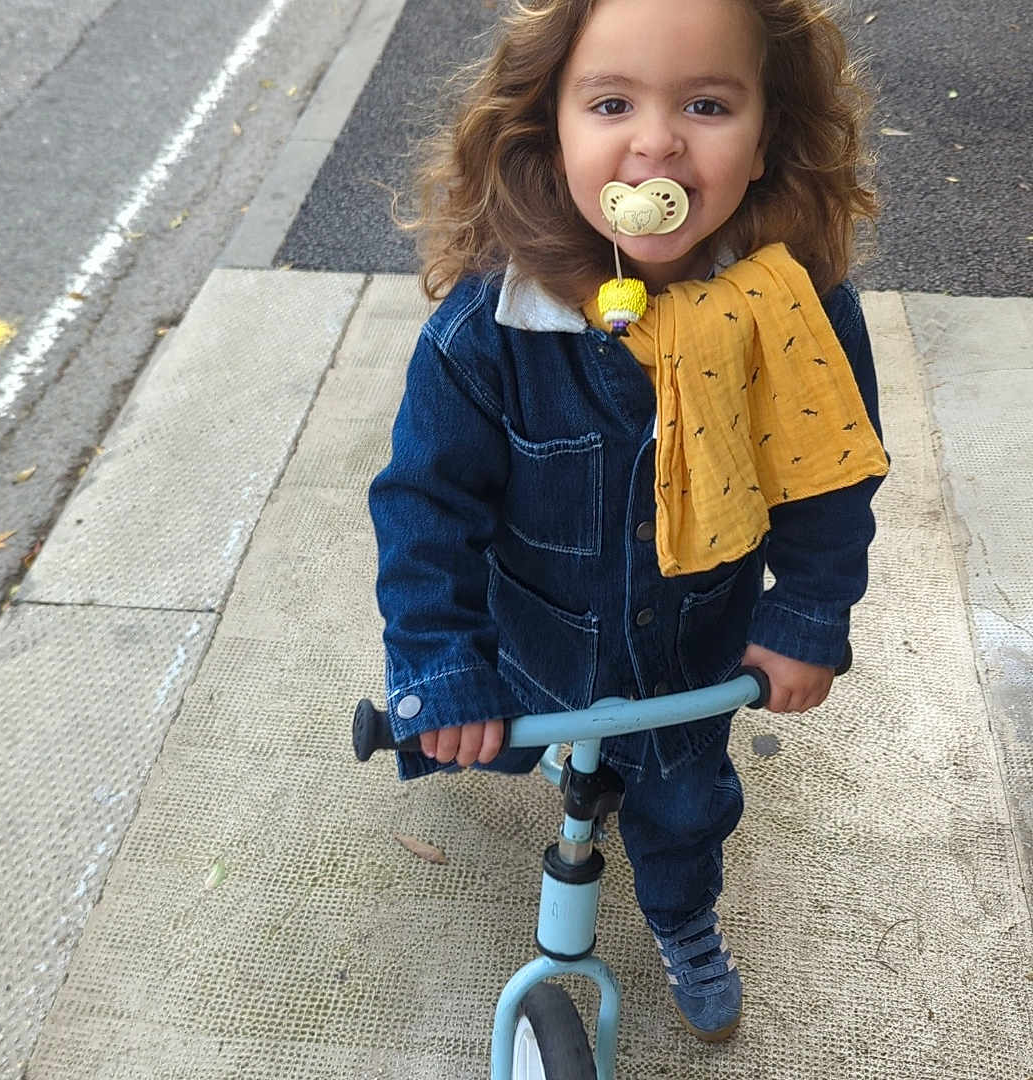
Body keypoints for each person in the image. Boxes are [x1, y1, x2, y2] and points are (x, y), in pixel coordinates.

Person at [368, 0, 888, 1044]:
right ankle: (573, 769)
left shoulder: (794, 312)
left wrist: (808, 617)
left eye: (706, 103)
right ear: (547, 128)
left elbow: (830, 474)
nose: (655, 142)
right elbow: (427, 504)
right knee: (544, 757)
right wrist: (441, 663)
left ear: (768, 132)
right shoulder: (493, 330)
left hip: (693, 659)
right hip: (541, 648)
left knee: (687, 810)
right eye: (611, 103)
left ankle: (685, 917)